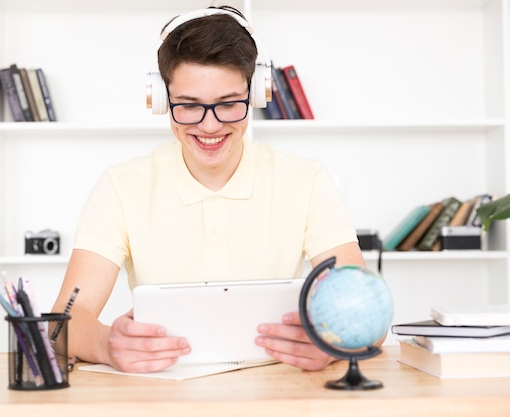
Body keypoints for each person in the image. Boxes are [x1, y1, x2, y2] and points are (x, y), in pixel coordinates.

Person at [52, 6, 372, 374]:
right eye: (188, 106)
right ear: (160, 100)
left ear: (255, 95)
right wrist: (107, 345)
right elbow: (61, 324)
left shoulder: (307, 180)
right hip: (162, 393)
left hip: (278, 390)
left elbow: (365, 311)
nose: (209, 126)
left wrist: (331, 345)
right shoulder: (121, 186)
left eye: (228, 104)